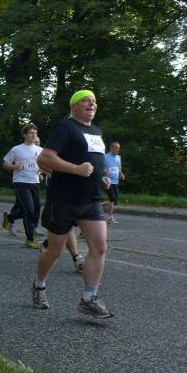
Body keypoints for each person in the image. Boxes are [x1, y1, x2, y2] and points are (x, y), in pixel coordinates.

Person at [32, 90, 113, 318]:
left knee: (100, 247)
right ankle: (39, 285)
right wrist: (76, 169)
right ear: (74, 106)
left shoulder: (96, 131)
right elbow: (44, 158)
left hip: (91, 199)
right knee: (55, 251)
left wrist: (100, 176)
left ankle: (88, 299)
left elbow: (92, 160)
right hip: (63, 199)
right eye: (86, 100)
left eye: (94, 100)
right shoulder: (66, 127)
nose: (92, 103)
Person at [2, 123, 44, 248]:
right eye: (31, 133)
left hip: (35, 181)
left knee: (37, 208)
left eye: (35, 133)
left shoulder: (40, 150)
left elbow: (43, 165)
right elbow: (5, 164)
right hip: (20, 182)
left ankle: (9, 217)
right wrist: (14, 166)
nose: (33, 135)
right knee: (29, 210)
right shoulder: (17, 149)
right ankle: (30, 239)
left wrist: (41, 171)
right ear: (24, 135)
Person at [103, 141, 124, 223]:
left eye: (119, 148)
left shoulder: (118, 157)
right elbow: (99, 166)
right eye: (116, 148)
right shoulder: (104, 156)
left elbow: (119, 168)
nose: (118, 149)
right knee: (112, 198)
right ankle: (110, 217)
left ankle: (97, 205)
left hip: (115, 181)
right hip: (107, 181)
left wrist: (121, 173)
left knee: (115, 201)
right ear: (111, 148)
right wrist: (104, 171)